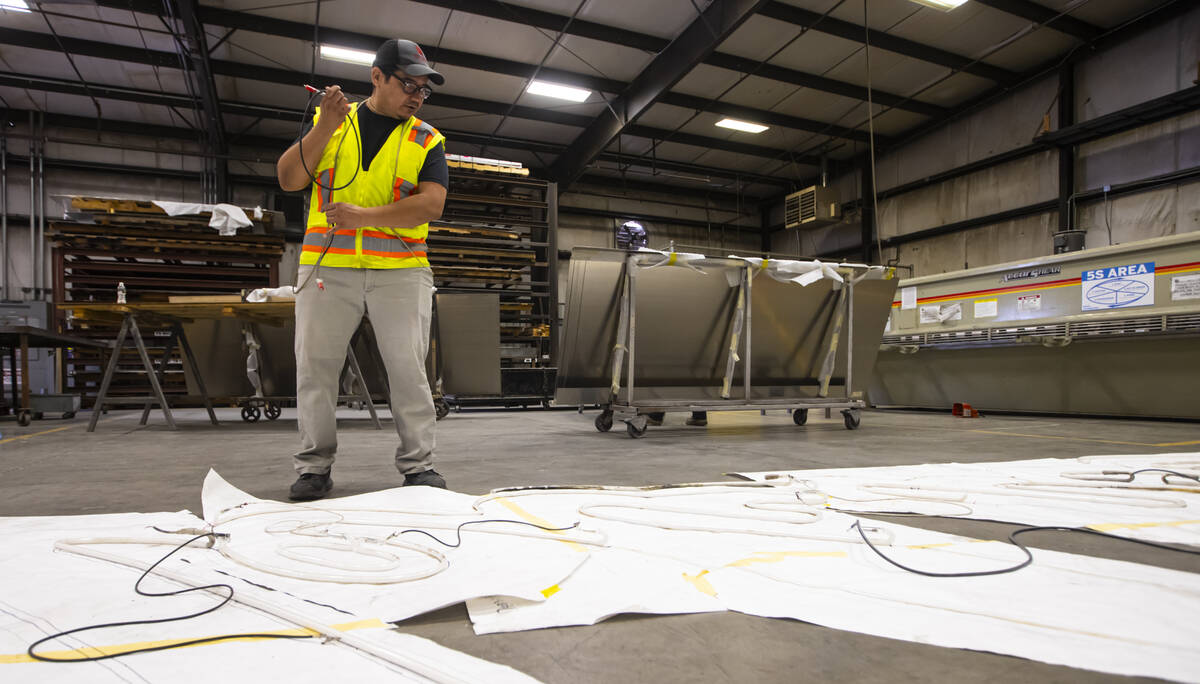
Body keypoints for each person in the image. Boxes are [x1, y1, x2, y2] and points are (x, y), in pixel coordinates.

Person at [276, 38, 448, 501]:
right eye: (407, 84)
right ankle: (314, 468)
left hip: (401, 271)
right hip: (328, 267)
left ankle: (419, 466)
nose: (416, 95)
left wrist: (363, 217)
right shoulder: (330, 123)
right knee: (315, 369)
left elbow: (431, 203)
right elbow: (290, 178)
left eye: (423, 89)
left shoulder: (425, 138)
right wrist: (325, 125)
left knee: (409, 371)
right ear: (377, 77)